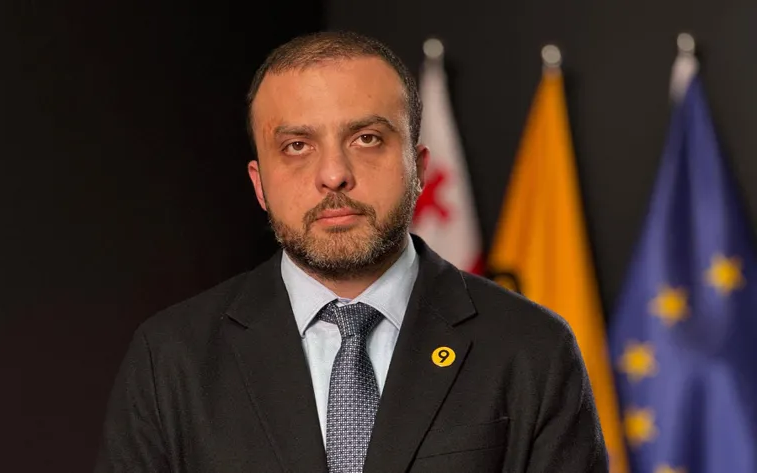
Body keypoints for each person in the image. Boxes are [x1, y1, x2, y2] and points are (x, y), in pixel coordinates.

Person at [94, 31, 607, 473]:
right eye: (297, 146)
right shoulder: (170, 358)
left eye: (366, 138)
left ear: (420, 168)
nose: (334, 174)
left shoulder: (531, 348)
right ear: (259, 184)